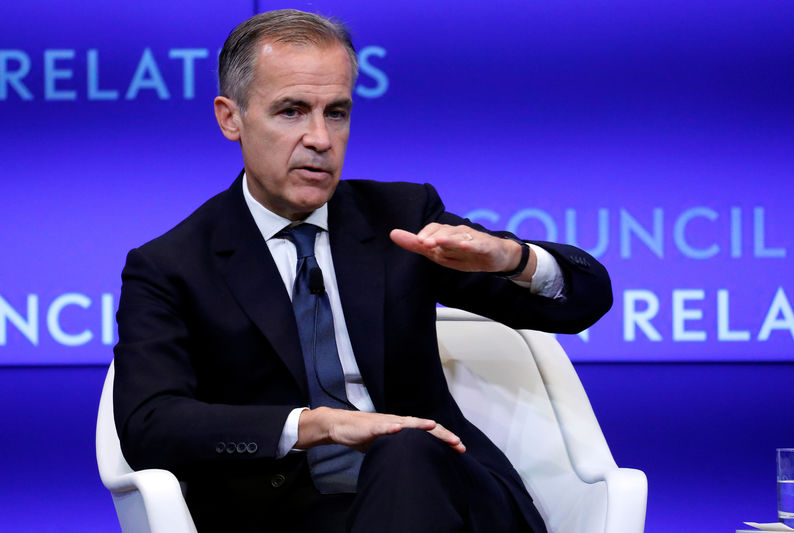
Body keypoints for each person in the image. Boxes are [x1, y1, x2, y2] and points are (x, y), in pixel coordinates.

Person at [113, 9, 612, 533]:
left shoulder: (403, 220)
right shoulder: (171, 266)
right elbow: (150, 423)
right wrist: (315, 426)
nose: (321, 139)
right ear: (230, 117)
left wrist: (515, 259)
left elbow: (583, 302)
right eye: (291, 111)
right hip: (286, 511)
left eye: (337, 113)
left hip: (447, 497)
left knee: (407, 451)